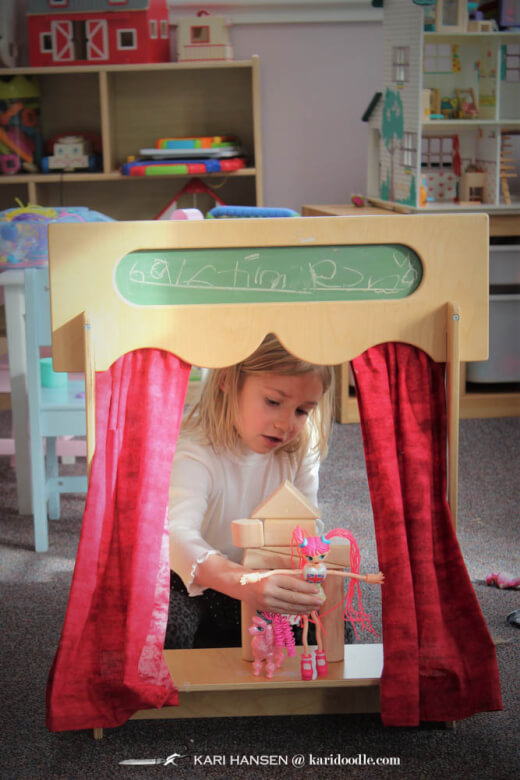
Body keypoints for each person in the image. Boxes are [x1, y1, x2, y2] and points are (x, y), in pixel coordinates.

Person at [165, 333, 335, 650]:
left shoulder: (300, 447)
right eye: (273, 402)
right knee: (163, 628)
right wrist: (241, 582)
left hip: (265, 581)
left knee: (335, 629)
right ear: (228, 380)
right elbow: (175, 536)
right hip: (194, 581)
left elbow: (306, 529)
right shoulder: (196, 448)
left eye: (302, 411)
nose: (287, 424)